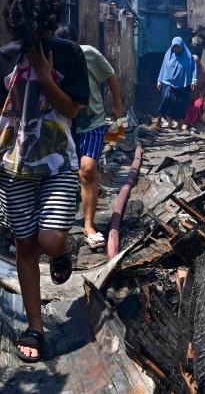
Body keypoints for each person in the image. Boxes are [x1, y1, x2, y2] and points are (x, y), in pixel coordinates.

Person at [0, 0, 89, 363]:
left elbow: (71, 111)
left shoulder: (68, 54)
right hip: (15, 166)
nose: (30, 38)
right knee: (24, 245)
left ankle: (63, 252)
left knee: (49, 240)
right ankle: (35, 326)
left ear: (49, 23)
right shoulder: (2, 57)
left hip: (57, 164)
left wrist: (45, 76)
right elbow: (1, 102)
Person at [55, 25, 123, 252]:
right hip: (65, 122)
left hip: (92, 121)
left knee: (87, 169)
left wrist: (117, 104)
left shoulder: (89, 54)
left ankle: (88, 224)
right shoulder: (50, 59)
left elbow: (110, 75)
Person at [152, 36, 204, 130]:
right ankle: (169, 121)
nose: (176, 49)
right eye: (174, 47)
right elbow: (163, 67)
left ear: (182, 46)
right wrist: (159, 80)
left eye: (178, 47)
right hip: (168, 82)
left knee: (181, 104)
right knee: (166, 100)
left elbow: (193, 69)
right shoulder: (168, 55)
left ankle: (179, 126)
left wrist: (193, 80)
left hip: (184, 83)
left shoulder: (188, 56)